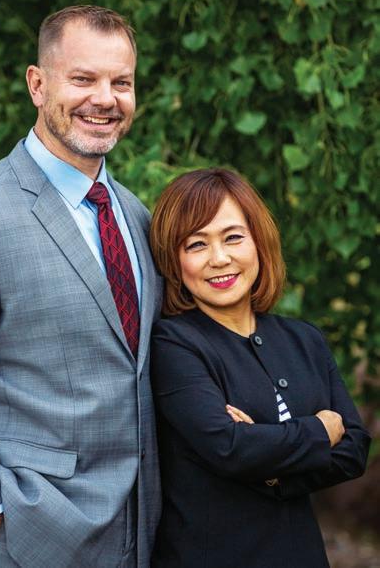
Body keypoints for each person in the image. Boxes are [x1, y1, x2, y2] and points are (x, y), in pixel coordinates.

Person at [0, 5, 162, 568]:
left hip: (146, 534)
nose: (105, 99)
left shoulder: (135, 215)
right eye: (83, 79)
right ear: (37, 85)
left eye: (121, 83)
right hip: (30, 541)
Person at [149, 168, 370, 568]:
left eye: (233, 237)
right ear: (174, 261)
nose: (220, 258)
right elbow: (229, 448)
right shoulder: (174, 344)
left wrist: (268, 464)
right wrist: (319, 430)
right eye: (196, 244)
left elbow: (354, 449)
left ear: (258, 241)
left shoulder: (304, 339)